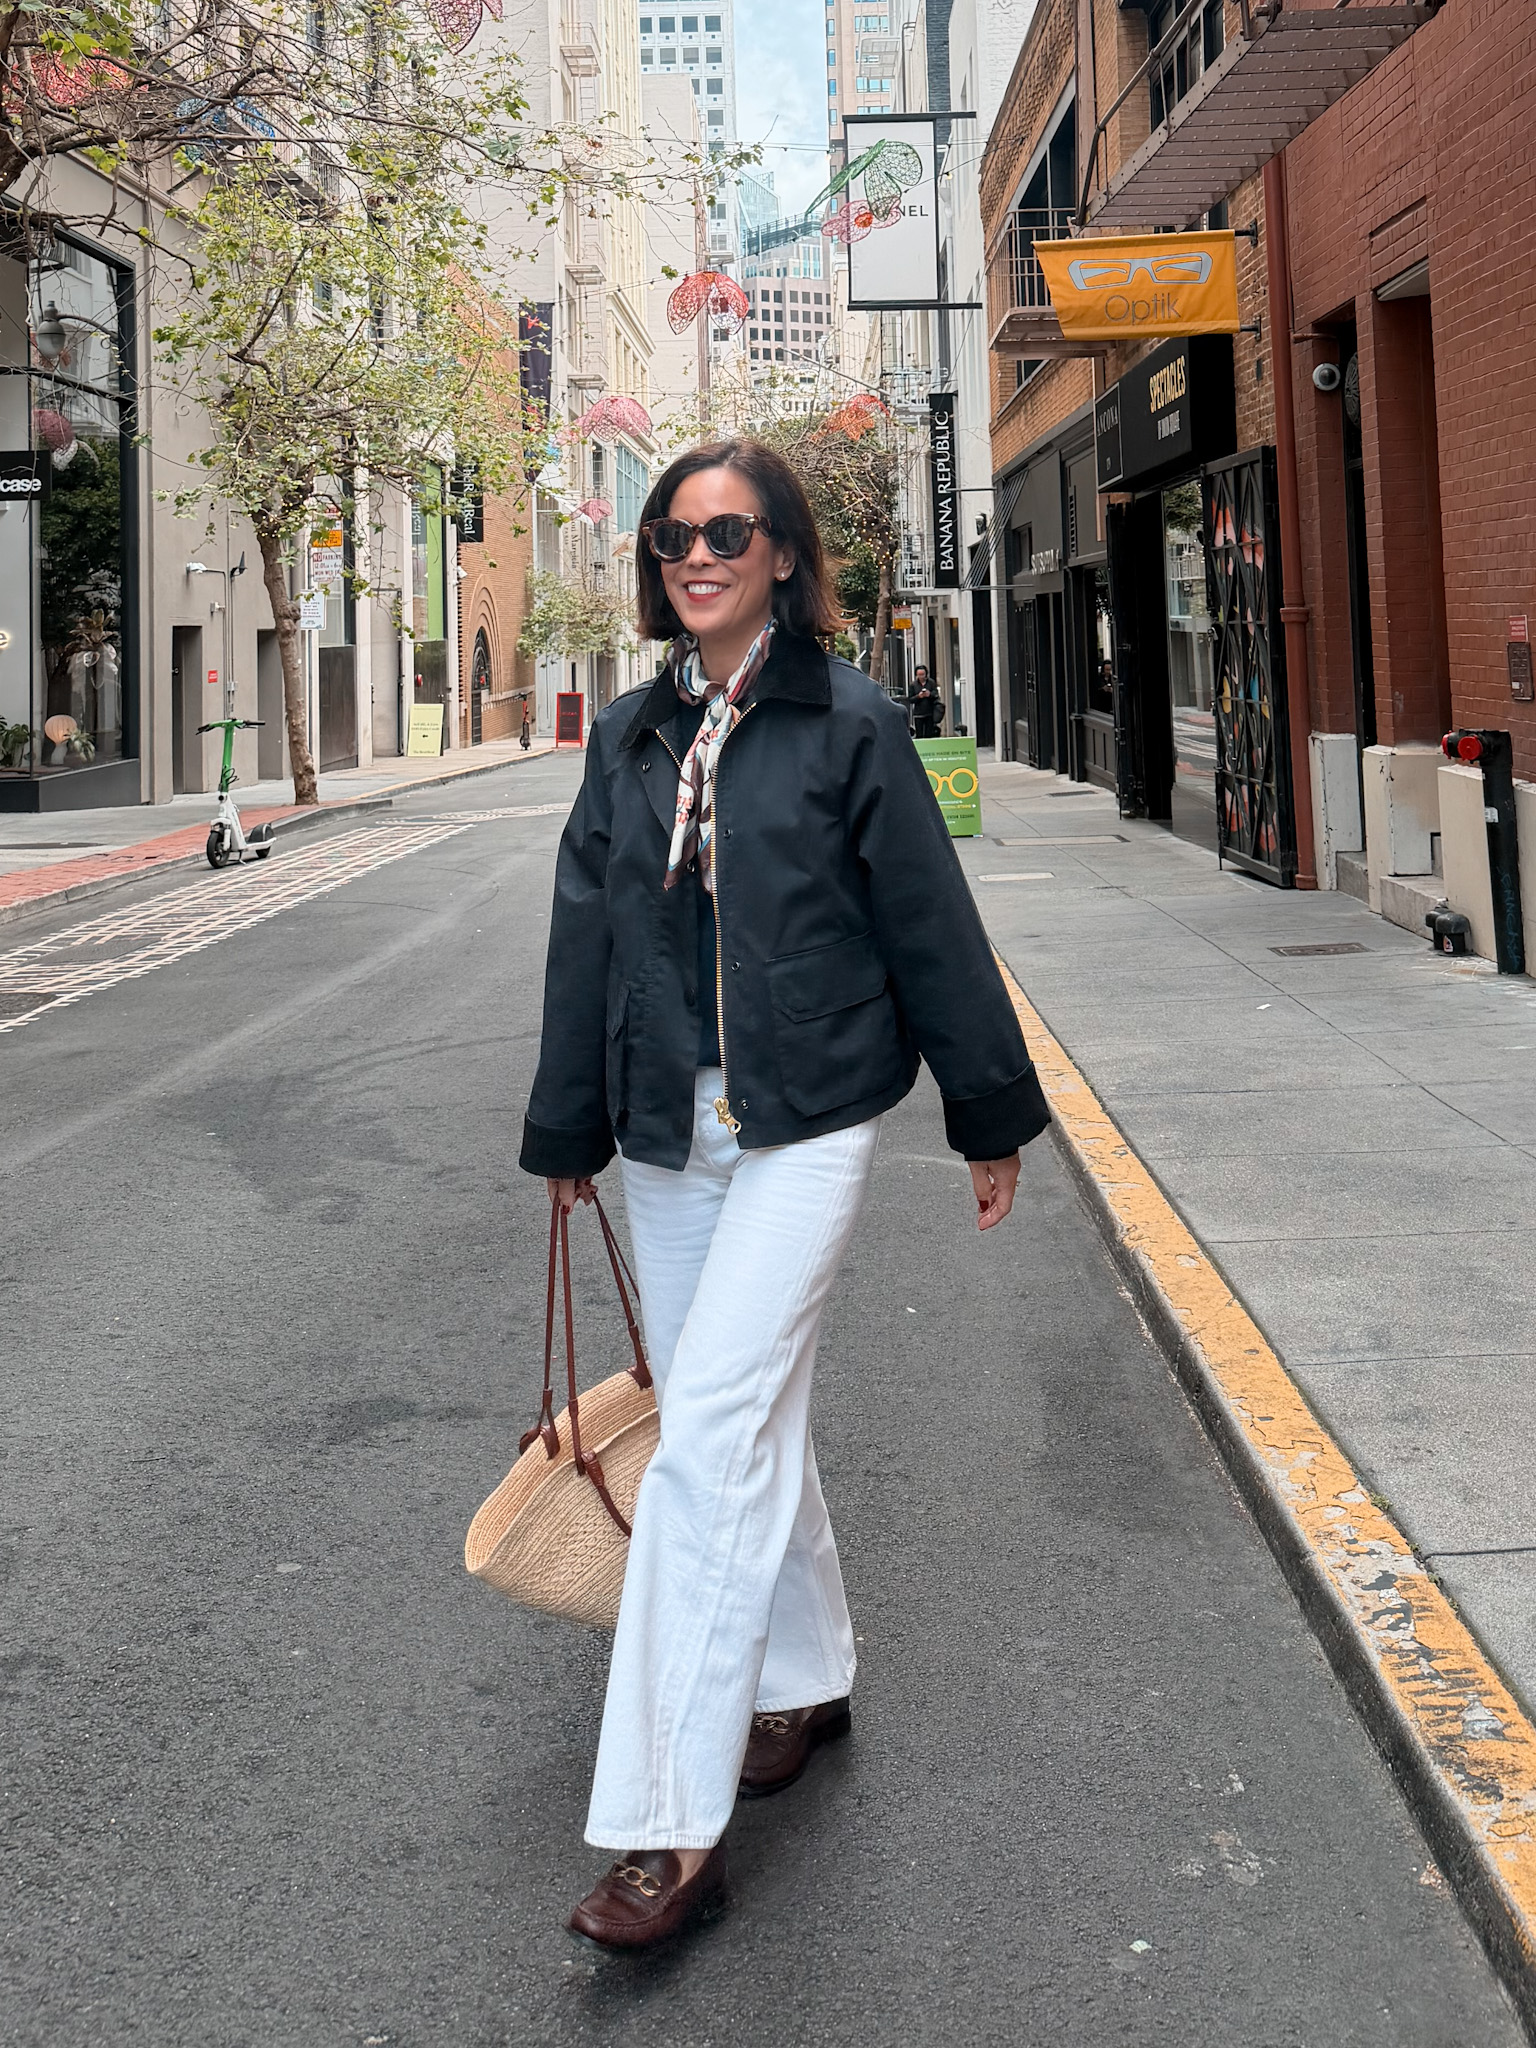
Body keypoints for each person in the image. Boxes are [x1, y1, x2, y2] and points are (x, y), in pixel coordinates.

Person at [520, 438, 1050, 1950]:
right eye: (675, 534)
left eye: (729, 531)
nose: (699, 554)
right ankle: (802, 1675)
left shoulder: (848, 724)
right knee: (731, 1413)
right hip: (672, 1130)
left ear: (782, 554)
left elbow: (931, 924)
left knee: (704, 1457)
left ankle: (662, 1828)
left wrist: (987, 1115)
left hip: (810, 1119)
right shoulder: (628, 737)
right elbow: (585, 943)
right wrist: (570, 1133)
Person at [910, 666, 944, 740]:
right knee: (920, 734)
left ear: (926, 674)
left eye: (923, 674)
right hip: (918, 714)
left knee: (929, 734)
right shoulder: (913, 685)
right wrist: (918, 696)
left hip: (929, 712)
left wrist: (929, 694)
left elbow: (936, 694)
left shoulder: (931, 683)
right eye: (919, 675)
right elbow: (910, 699)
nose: (921, 677)